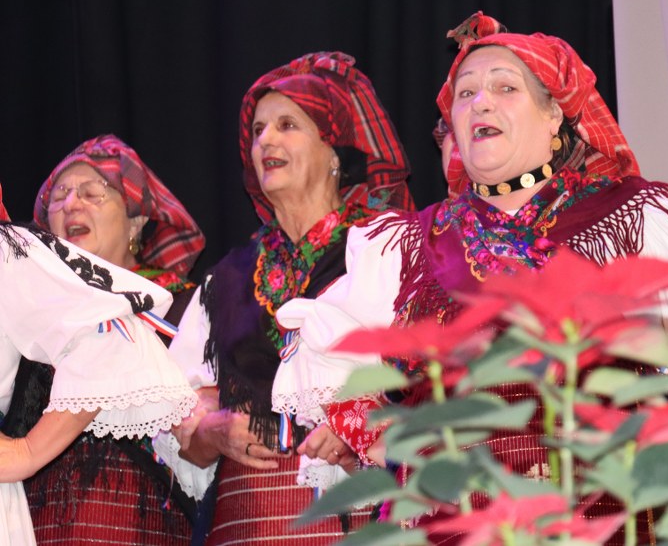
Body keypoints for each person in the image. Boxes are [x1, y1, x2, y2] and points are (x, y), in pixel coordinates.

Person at [275, 13, 668, 543]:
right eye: (466, 93)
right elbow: (326, 343)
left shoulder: (631, 218)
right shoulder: (410, 245)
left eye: (505, 87)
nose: (480, 103)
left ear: (554, 116)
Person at [158, 51, 414, 545]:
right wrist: (211, 430)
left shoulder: (384, 247)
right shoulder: (226, 279)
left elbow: (426, 383)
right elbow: (175, 418)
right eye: (258, 131)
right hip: (243, 522)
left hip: (356, 515)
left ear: (333, 151)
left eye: (287, 125)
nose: (265, 141)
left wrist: (360, 432)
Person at [6, 135, 205, 545]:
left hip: (139, 518)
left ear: (136, 221)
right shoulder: (32, 309)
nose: (70, 204)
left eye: (92, 192)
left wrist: (27, 452)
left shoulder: (186, 307)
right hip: (32, 520)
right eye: (59, 195)